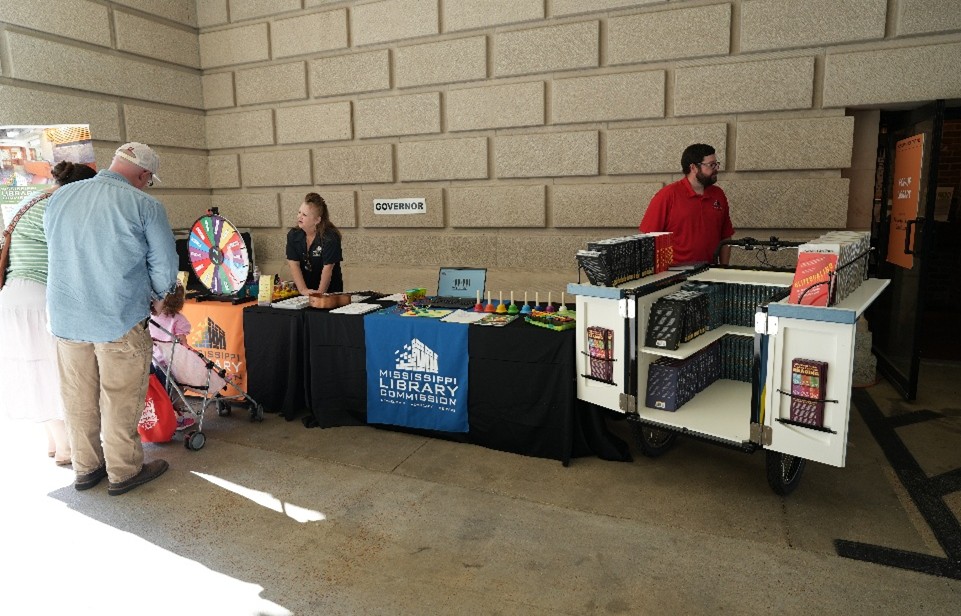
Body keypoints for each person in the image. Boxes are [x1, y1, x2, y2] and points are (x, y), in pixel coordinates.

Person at [44, 142, 179, 496]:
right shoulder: (145, 204)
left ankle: (86, 468)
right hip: (118, 317)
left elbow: (57, 253)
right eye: (148, 180)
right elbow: (165, 267)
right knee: (119, 398)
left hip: (67, 319)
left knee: (78, 398)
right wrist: (156, 295)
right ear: (144, 175)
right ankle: (123, 471)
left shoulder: (60, 198)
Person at [0, 161, 97, 466]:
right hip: (38, 297)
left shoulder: (29, 202)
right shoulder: (58, 207)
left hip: (12, 296)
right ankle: (68, 448)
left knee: (32, 371)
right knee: (55, 371)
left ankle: (54, 442)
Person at [639, 143, 734, 265]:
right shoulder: (667, 195)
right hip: (675, 277)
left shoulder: (718, 194)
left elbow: (725, 237)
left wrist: (724, 269)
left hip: (711, 274)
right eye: (711, 165)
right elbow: (647, 239)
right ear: (693, 167)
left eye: (716, 164)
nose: (716, 168)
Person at [148, 284, 196, 431]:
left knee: (160, 393)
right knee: (177, 389)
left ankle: (161, 417)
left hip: (153, 363)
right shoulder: (179, 320)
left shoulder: (150, 317)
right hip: (171, 365)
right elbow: (183, 344)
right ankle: (177, 418)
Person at [286, 192, 343, 296]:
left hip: (329, 294)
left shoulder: (330, 237)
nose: (299, 217)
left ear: (317, 220)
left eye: (304, 215)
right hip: (305, 293)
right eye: (299, 212)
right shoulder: (293, 235)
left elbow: (328, 268)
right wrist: (303, 290)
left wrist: (319, 295)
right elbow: (294, 264)